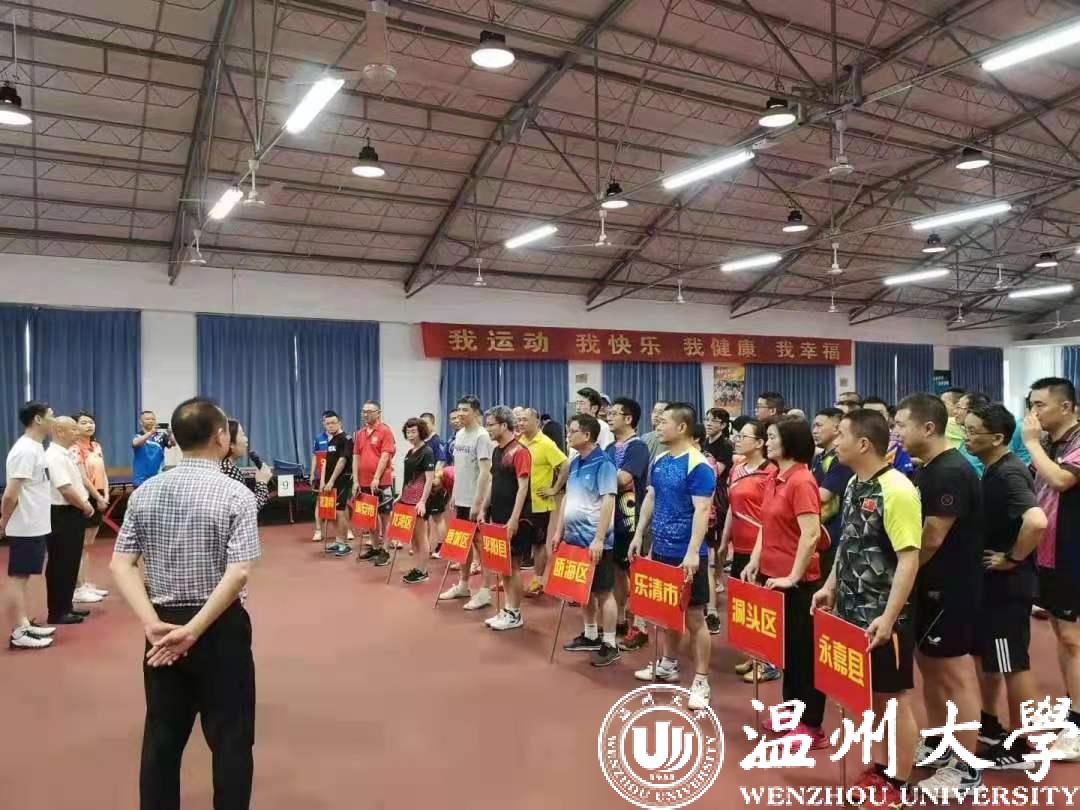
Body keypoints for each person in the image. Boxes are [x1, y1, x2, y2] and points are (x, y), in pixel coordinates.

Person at [110, 397, 259, 810]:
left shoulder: (145, 492)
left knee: (162, 736)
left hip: (161, 630)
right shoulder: (236, 494)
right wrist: (194, 630)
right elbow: (238, 573)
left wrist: (150, 623)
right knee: (231, 737)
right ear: (221, 437)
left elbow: (121, 563)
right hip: (220, 626)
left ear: (173, 439)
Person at [815, 408, 923, 806]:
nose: (835, 443)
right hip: (851, 612)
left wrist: (889, 618)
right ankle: (880, 767)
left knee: (893, 698)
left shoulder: (897, 490)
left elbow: (909, 559)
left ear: (863, 444)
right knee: (869, 699)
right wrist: (830, 586)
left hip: (884, 617)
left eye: (841, 435)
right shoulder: (854, 484)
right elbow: (847, 542)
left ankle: (900, 781)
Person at [894, 392, 984, 795]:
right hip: (928, 588)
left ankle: (967, 769)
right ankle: (939, 743)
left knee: (954, 674)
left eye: (901, 425)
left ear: (928, 428)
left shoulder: (951, 471)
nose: (896, 432)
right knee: (930, 668)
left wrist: (902, 574)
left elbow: (931, 537)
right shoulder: (927, 468)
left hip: (951, 588)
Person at [964, 402, 1047, 769]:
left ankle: (1023, 745)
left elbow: (1036, 521)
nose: (966, 437)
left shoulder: (1010, 472)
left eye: (972, 431)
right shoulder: (992, 469)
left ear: (997, 438)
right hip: (991, 586)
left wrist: (1012, 558)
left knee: (1014, 663)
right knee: (993, 659)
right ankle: (992, 724)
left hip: (1008, 586)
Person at [742, 416, 827, 748]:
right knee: (787, 653)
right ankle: (792, 712)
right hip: (773, 577)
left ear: (790, 441)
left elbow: (811, 534)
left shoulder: (802, 481)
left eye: (773, 437)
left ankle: (812, 725)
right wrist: (755, 559)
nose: (767, 442)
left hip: (798, 583)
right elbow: (766, 524)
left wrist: (793, 576)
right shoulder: (775, 477)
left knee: (804, 655)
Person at [629, 402, 715, 710]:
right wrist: (639, 534)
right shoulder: (660, 459)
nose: (657, 425)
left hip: (687, 554)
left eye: (664, 421)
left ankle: (702, 681)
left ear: (681, 427)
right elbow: (652, 497)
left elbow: (702, 510)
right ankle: (668, 664)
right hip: (661, 548)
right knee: (667, 612)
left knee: (694, 618)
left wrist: (693, 552)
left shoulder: (698, 465)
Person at [1023, 377, 1080, 761]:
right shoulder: (1048, 442)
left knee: (1073, 638)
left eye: (1040, 405)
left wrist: (1030, 443)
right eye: (1031, 405)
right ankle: (1074, 706)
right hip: (1047, 553)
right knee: (1063, 634)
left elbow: (1060, 480)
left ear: (1066, 406)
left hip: (1072, 552)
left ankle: (1078, 725)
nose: (1034, 412)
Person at [559, 413, 620, 666]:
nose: (568, 435)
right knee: (582, 589)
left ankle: (610, 643)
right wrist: (558, 532)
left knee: (604, 592)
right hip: (574, 539)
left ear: (586, 435)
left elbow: (608, 501)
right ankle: (591, 634)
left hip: (596, 540)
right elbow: (567, 497)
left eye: (572, 431)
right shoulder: (575, 462)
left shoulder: (604, 464)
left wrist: (599, 538)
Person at [2, 401, 57, 649]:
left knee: (22, 577)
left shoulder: (36, 448)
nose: (54, 420)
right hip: (25, 524)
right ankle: (18, 632)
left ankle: (24, 623)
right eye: (51, 416)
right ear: (38, 419)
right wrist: (3, 521)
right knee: (17, 578)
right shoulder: (25, 450)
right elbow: (10, 495)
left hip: (35, 524)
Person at [722, 418, 773, 682]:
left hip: (761, 548)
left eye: (744, 436)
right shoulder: (737, 467)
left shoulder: (770, 472)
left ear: (760, 442)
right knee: (746, 604)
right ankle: (754, 656)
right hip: (739, 546)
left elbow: (770, 516)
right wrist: (724, 542)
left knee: (763, 606)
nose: (738, 440)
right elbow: (733, 507)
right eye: (737, 435)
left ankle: (769, 661)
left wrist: (759, 551)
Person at [479, 406, 532, 631]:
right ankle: (508, 609)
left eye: (491, 424)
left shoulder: (520, 452)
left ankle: (515, 613)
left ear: (504, 425)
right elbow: (493, 482)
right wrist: (484, 507)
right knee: (504, 567)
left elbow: (523, 487)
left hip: (516, 519)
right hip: (498, 515)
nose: (488, 428)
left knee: (514, 566)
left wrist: (514, 519)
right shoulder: (496, 451)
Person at [605, 397, 651, 652]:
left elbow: (623, 479)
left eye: (614, 413)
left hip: (632, 517)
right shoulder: (610, 447)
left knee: (637, 571)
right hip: (612, 519)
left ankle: (641, 625)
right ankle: (621, 616)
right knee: (617, 570)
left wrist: (599, 476)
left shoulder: (638, 447)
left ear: (628, 418)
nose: (609, 417)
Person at [439, 396, 494, 609]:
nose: (460, 413)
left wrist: (478, 503)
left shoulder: (482, 436)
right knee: (463, 543)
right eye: (459, 409)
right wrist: (454, 493)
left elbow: (485, 472)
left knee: (481, 545)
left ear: (476, 412)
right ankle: (463, 585)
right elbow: (459, 468)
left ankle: (485, 591)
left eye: (465, 410)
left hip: (476, 501)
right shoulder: (460, 435)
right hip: (461, 498)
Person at [45, 416, 95, 625]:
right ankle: (57, 611)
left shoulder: (66, 453)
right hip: (62, 513)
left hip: (72, 512)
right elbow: (65, 488)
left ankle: (66, 605)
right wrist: (85, 505)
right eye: (73, 429)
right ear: (60, 432)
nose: (78, 432)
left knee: (71, 560)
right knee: (61, 562)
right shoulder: (54, 456)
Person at [517, 408, 569, 597]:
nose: (521, 423)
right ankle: (513, 578)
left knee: (538, 543)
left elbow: (564, 464)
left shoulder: (546, 443)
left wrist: (555, 489)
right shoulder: (519, 442)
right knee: (518, 542)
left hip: (539, 503)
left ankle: (538, 580)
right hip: (519, 501)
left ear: (537, 421)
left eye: (525, 420)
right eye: (519, 420)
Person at [72, 411, 109, 605]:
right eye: (84, 423)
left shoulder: (96, 446)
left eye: (91, 422)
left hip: (100, 495)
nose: (89, 426)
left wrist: (106, 495)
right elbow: (83, 478)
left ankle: (85, 583)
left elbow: (103, 472)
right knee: (80, 546)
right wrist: (97, 497)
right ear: (75, 426)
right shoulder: (74, 448)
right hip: (86, 497)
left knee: (87, 545)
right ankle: (78, 588)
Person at [811, 408, 853, 580]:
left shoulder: (840, 460)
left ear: (836, 429)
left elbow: (823, 496)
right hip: (818, 533)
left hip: (833, 536)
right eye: (813, 426)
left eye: (819, 425)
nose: (814, 430)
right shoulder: (818, 458)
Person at [352, 400, 395, 566]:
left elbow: (385, 455)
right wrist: (356, 480)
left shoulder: (385, 431)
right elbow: (356, 457)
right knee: (369, 516)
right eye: (364, 411)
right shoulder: (359, 433)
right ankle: (375, 547)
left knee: (385, 516)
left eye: (369, 411)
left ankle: (385, 550)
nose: (365, 414)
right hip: (363, 481)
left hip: (381, 481)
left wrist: (376, 477)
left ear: (378, 413)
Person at [691, 424, 725, 635]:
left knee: (707, 567)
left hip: (706, 520)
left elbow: (706, 499)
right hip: (689, 521)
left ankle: (711, 612)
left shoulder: (705, 462)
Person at [399, 418, 436, 584]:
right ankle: (417, 567)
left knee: (421, 536)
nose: (410, 435)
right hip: (407, 498)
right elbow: (407, 477)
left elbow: (429, 479)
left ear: (421, 432)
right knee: (413, 536)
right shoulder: (410, 452)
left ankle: (423, 571)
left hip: (419, 499)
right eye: (408, 432)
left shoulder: (427, 452)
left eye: (414, 431)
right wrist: (401, 495)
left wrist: (422, 501)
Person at [316, 412, 353, 557]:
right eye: (327, 423)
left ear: (339, 423)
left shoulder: (346, 439)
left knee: (340, 511)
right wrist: (323, 481)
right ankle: (338, 541)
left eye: (333, 423)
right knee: (333, 512)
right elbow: (326, 462)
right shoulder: (331, 440)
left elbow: (342, 460)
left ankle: (345, 544)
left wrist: (331, 481)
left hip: (342, 479)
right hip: (329, 482)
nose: (330, 426)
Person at [222, 421, 272, 512]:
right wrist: (262, 482)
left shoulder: (223, 466)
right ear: (231, 444)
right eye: (242, 435)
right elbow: (249, 509)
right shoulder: (229, 470)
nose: (246, 439)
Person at [420, 412, 449, 556]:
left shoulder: (437, 441)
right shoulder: (421, 441)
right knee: (423, 517)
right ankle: (424, 545)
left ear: (433, 424)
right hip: (422, 485)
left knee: (437, 517)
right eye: (421, 424)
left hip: (434, 486)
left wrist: (433, 480)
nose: (423, 426)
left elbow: (441, 462)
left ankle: (441, 547)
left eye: (426, 423)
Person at [862, 397, 914, 475]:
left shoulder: (898, 443)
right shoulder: (852, 441)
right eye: (868, 414)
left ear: (887, 416)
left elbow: (903, 476)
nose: (874, 418)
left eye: (880, 413)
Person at [132, 410, 173, 486]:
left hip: (158, 477)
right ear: (141, 422)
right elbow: (135, 443)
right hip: (141, 479)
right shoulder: (138, 436)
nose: (151, 421)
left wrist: (170, 434)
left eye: (153, 419)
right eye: (147, 419)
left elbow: (172, 444)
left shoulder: (161, 435)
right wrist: (151, 432)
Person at [310, 411, 332, 544]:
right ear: (323, 423)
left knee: (343, 504)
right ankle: (318, 530)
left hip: (337, 476)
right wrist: (312, 473)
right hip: (321, 476)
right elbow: (315, 456)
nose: (328, 424)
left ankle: (347, 530)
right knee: (320, 502)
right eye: (325, 421)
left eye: (330, 421)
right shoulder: (319, 438)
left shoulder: (341, 438)